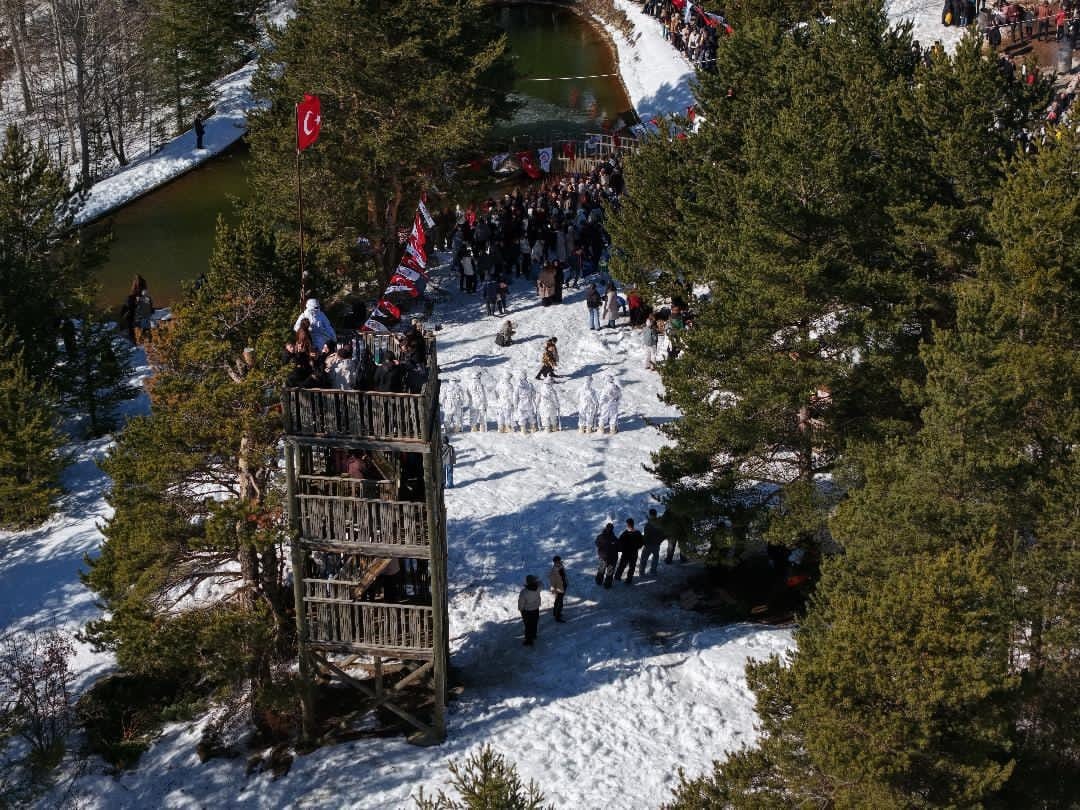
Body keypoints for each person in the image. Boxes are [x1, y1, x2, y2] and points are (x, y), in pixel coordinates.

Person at [615, 518, 643, 584]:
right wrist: (637, 547)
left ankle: (617, 577)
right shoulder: (638, 533)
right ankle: (629, 580)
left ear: (627, 525)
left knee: (622, 566)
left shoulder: (625, 533)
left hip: (626, 554)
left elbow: (619, 543)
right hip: (634, 553)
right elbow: (641, 543)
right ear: (633, 524)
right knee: (632, 567)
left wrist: (621, 550)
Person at [119, 275, 147, 342]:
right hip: (133, 326)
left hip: (130, 325)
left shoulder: (130, 297)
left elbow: (122, 312)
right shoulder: (142, 299)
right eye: (145, 287)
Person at [640, 508, 665, 577]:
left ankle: (641, 573)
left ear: (650, 515)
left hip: (648, 545)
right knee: (655, 559)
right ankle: (653, 571)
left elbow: (645, 536)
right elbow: (663, 534)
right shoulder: (659, 523)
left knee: (644, 559)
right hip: (656, 545)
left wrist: (644, 542)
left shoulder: (648, 525)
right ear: (656, 514)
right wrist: (660, 541)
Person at [518, 574, 542, 646]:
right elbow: (541, 583)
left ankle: (528, 640)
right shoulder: (538, 588)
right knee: (534, 623)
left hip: (527, 611)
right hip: (536, 609)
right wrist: (536, 580)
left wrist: (520, 609)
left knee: (528, 625)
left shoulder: (524, 592)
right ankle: (534, 635)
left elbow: (521, 602)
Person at [594, 522, 619, 588]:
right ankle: (607, 584)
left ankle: (598, 581)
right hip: (612, 558)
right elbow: (619, 548)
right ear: (612, 529)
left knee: (601, 569)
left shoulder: (600, 536)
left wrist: (601, 548)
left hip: (603, 556)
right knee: (609, 572)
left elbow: (597, 543)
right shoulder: (614, 538)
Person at [548, 556, 568, 622]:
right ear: (554, 562)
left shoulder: (561, 566)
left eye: (559, 561)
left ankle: (555, 613)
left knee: (559, 601)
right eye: (557, 562)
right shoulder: (554, 571)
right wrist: (553, 589)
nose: (559, 562)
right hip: (559, 588)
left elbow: (564, 576)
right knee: (559, 602)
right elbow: (552, 581)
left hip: (563, 586)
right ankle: (557, 617)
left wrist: (566, 582)